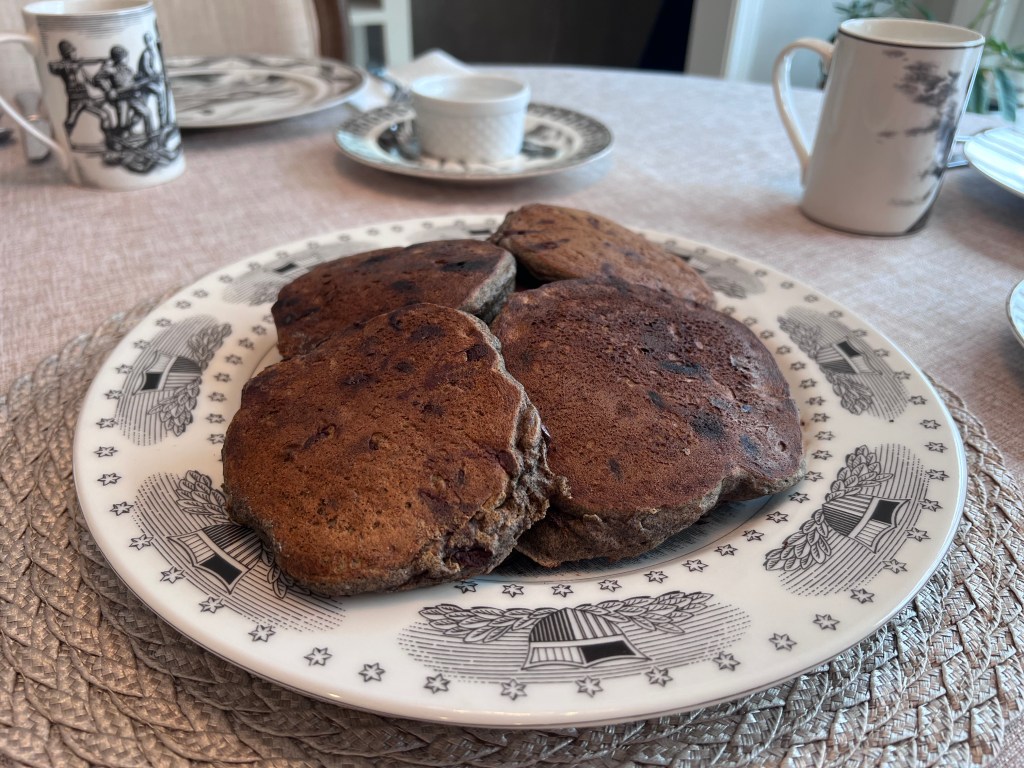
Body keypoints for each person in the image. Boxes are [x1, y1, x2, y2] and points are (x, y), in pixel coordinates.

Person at [47, 40, 108, 140]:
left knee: (104, 115)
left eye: (74, 51)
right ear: (67, 54)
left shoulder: (80, 67)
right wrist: (68, 65)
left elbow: (92, 82)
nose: (75, 53)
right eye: (72, 51)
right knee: (70, 122)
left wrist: (102, 75)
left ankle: (108, 140)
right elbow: (52, 67)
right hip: (75, 100)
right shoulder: (64, 68)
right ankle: (64, 141)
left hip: (86, 98)